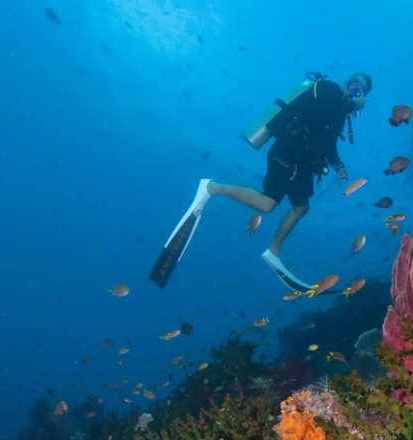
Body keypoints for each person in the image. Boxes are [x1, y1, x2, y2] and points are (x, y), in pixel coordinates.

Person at [149, 72, 371, 290]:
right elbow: (318, 112)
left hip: (303, 163)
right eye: (355, 85)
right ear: (347, 82)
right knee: (267, 204)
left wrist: (338, 166)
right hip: (286, 152)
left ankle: (273, 252)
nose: (356, 91)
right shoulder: (328, 89)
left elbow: (327, 142)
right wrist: (351, 106)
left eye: (361, 90)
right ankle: (212, 187)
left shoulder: (339, 111)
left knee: (301, 208)